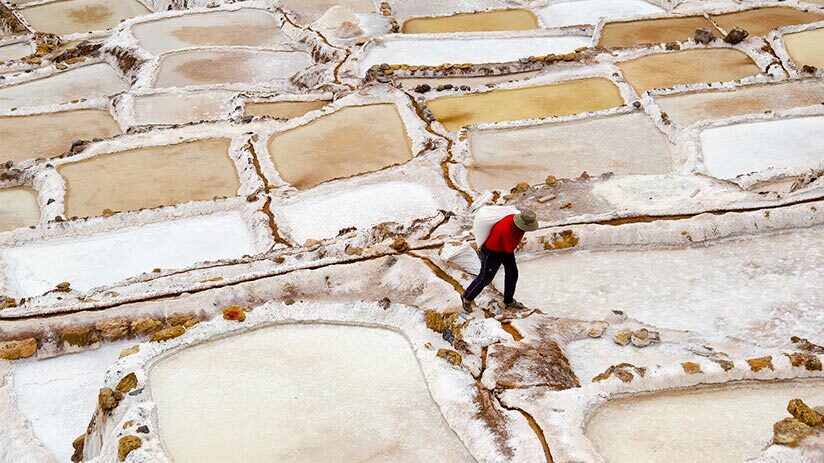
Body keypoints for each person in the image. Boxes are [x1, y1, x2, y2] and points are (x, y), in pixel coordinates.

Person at [462, 209, 538, 312]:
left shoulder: (515, 223)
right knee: (485, 278)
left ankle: (508, 301)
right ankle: (467, 298)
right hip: (492, 251)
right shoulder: (507, 229)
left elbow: (508, 247)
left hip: (503, 249)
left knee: (512, 273)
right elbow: (509, 248)